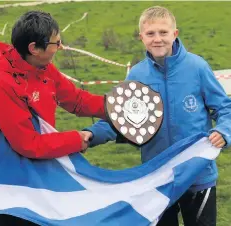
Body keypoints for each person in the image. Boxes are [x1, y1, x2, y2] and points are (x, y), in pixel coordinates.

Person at [82, 6, 231, 226]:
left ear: (175, 34)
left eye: (163, 32)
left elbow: (225, 108)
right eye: (150, 34)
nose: (157, 39)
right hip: (157, 178)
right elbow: (120, 119)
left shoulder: (197, 67)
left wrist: (224, 131)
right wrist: (90, 134)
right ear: (141, 37)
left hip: (198, 175)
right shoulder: (137, 75)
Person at [0, 11, 106, 226]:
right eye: (56, 43)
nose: (61, 47)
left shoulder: (42, 68)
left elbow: (75, 100)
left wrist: (115, 107)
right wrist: (76, 139)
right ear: (34, 49)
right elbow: (28, 144)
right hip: (10, 188)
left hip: (40, 173)